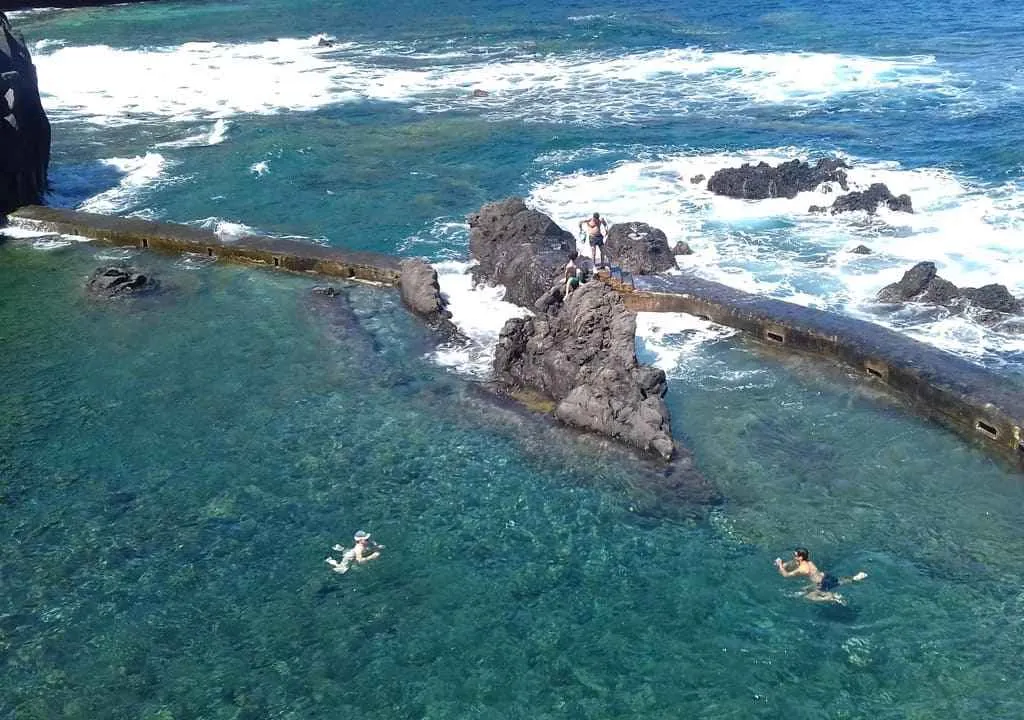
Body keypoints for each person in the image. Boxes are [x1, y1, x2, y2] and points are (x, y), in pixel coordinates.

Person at [774, 547, 867, 604]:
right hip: (826, 576)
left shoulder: (803, 569)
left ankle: (832, 597)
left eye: (795, 555)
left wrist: (779, 565)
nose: (794, 556)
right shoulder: (807, 561)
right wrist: (783, 564)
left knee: (808, 598)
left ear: (800, 557)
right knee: (839, 581)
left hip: (821, 583)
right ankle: (855, 578)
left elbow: (785, 575)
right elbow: (793, 563)